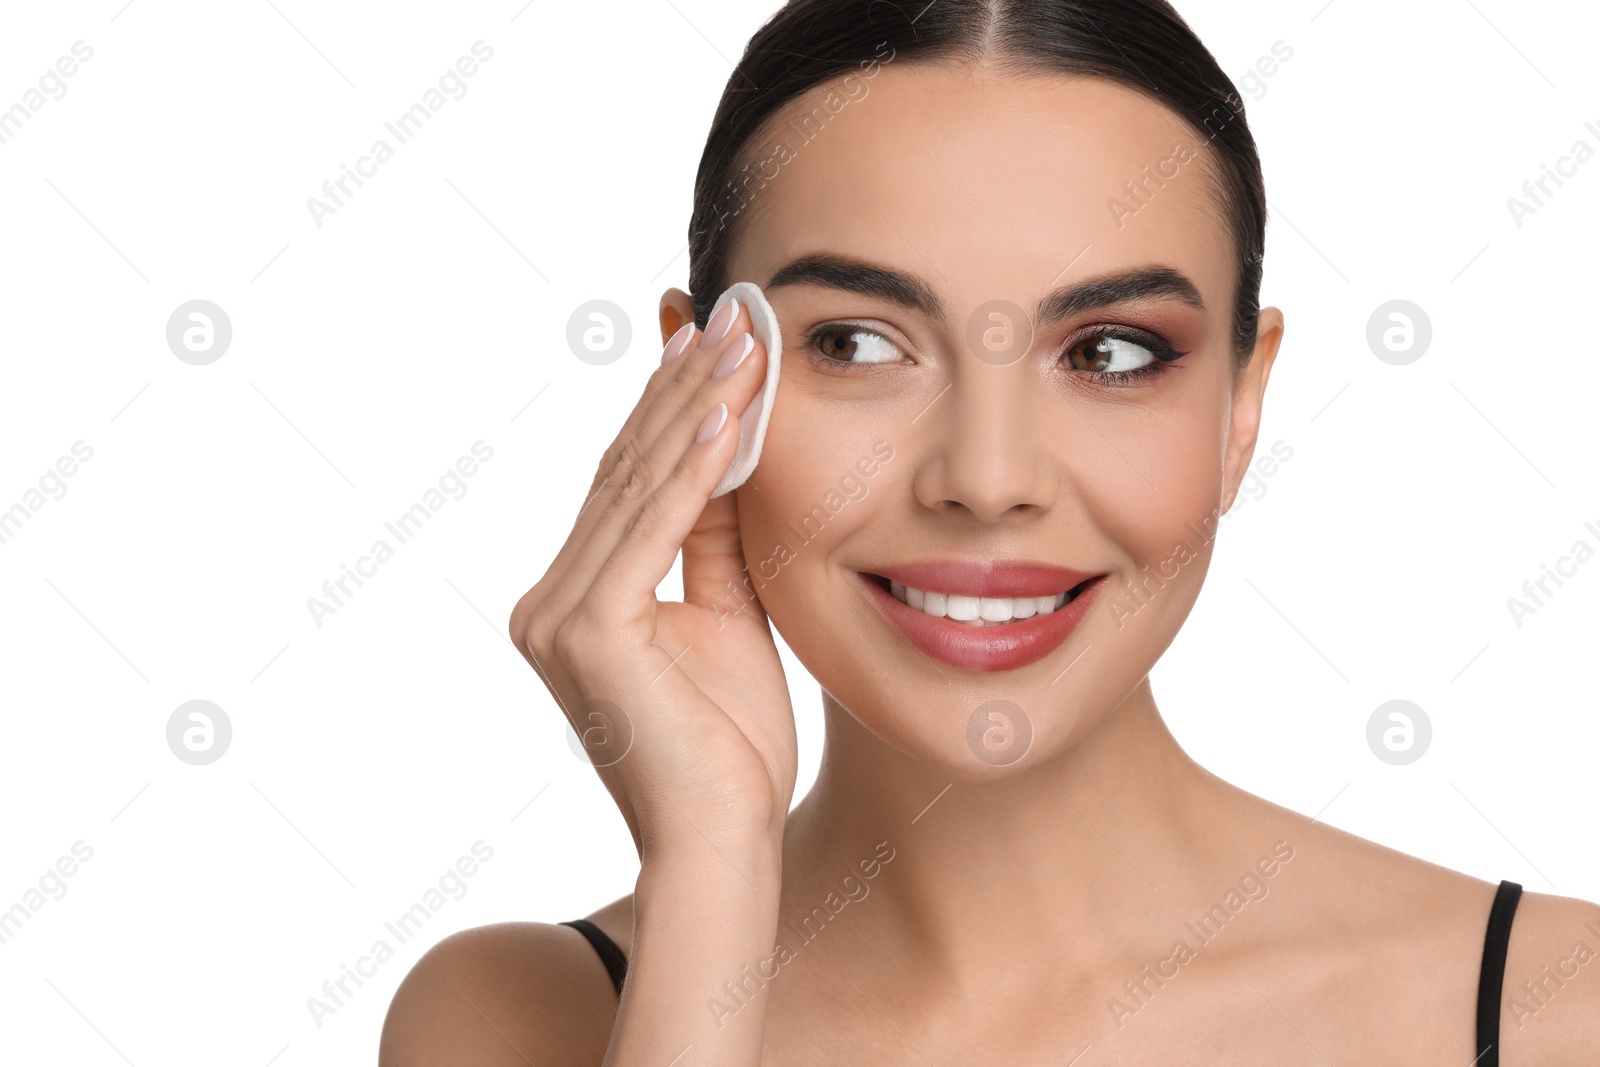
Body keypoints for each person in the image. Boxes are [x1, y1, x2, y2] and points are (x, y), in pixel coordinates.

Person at [380, 1, 1600, 1062]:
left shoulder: (1565, 1008)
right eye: (858, 342)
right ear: (702, 393)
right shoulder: (521, 1018)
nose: (987, 476)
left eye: (1112, 352)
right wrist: (711, 875)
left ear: (1241, 405)